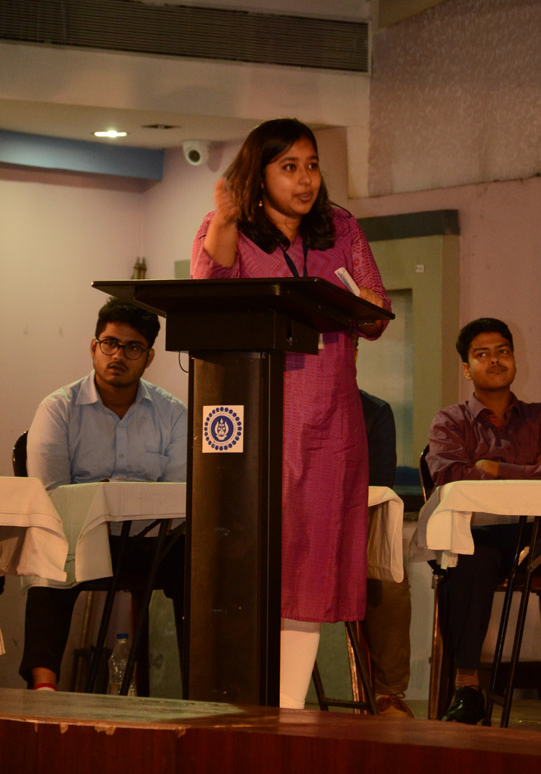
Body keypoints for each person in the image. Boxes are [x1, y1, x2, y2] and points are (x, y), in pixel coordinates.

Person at [191, 117, 390, 709]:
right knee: (254, 555)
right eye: (289, 167)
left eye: (312, 165)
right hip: (255, 419)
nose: (305, 180)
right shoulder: (227, 227)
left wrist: (362, 303)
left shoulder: (341, 229)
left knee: (311, 560)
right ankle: (239, 707)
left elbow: (376, 316)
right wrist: (224, 220)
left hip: (329, 420)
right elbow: (208, 290)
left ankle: (287, 709)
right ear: (259, 175)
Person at [427, 317, 541, 732]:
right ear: (467, 368)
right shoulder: (450, 421)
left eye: (502, 351)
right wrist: (534, 468)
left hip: (540, 532)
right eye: (482, 354)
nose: (495, 360)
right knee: (467, 560)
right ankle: (467, 689)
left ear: (514, 359)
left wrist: (494, 467)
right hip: (478, 530)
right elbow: (451, 476)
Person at [20, 298, 187, 691]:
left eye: (133, 348)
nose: (118, 356)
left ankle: (203, 688)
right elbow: (51, 494)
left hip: (151, 541)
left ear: (149, 357)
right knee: (47, 547)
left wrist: (117, 498)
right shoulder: (58, 409)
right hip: (79, 536)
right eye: (110, 343)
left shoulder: (172, 413)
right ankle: (44, 687)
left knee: (203, 562)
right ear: (93, 346)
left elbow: (179, 497)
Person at [359, 384, 413, 718]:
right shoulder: (285, 400)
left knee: (390, 582)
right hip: (290, 522)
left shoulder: (374, 410)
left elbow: (379, 485)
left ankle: (388, 692)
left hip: (353, 522)